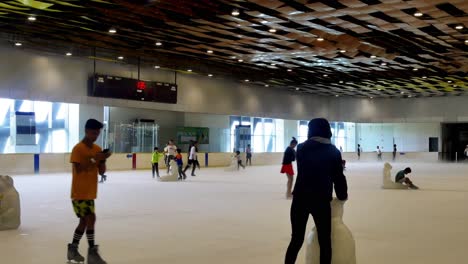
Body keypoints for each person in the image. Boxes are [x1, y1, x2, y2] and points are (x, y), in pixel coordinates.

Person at [285, 118, 348, 264]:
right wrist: (342, 195)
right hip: (321, 201)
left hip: (300, 199)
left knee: (296, 240)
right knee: (324, 241)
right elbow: (338, 177)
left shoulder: (301, 148)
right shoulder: (333, 151)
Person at [67, 119, 111, 264]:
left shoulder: (97, 149)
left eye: (98, 133)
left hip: (90, 192)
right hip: (79, 192)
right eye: (93, 133)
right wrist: (94, 159)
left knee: (84, 222)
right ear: (86, 131)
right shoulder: (78, 149)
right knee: (90, 218)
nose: (96, 135)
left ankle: (73, 249)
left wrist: (103, 160)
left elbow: (101, 172)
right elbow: (78, 169)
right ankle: (92, 253)